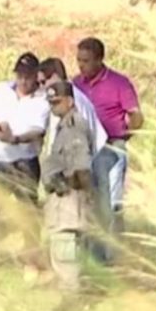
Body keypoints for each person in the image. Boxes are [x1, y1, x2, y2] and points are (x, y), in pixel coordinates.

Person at [73, 37, 143, 264]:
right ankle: (92, 250)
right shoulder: (76, 84)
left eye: (86, 61)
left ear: (99, 60)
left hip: (111, 146)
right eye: (79, 60)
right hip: (85, 148)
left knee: (110, 202)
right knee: (89, 201)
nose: (81, 66)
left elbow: (136, 115)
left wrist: (126, 135)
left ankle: (112, 253)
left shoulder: (119, 83)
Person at [0, 52, 50, 252]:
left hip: (24, 162)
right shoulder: (3, 89)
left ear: (36, 75)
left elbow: (37, 131)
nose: (23, 80)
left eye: (27, 76)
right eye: (20, 75)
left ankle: (32, 259)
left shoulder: (42, 99)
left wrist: (15, 138)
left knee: (28, 214)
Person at [40, 81, 95, 292]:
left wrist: (72, 187)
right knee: (62, 246)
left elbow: (82, 166)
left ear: (69, 101)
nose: (53, 107)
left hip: (70, 196)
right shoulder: (62, 125)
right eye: (50, 103)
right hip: (62, 195)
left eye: (57, 102)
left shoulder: (74, 126)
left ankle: (71, 295)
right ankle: (70, 290)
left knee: (66, 248)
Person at [38, 57, 107, 155]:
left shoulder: (71, 98)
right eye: (39, 83)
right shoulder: (61, 96)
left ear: (55, 76)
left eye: (44, 82)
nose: (42, 87)